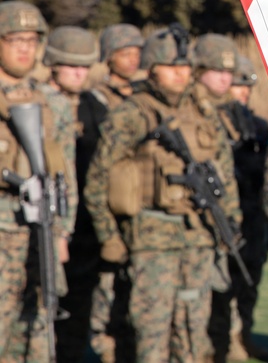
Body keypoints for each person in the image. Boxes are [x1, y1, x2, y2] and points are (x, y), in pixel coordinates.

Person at [84, 24, 242, 363]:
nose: (180, 75)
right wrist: (109, 235)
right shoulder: (132, 113)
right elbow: (97, 180)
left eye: (185, 67)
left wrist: (231, 221)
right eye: (171, 67)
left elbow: (224, 175)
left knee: (192, 331)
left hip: (199, 237)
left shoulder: (203, 113)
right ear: (153, 69)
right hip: (151, 240)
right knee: (151, 333)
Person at [0, 1, 78, 362]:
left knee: (38, 329)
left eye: (31, 40)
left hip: (41, 232)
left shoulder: (53, 103)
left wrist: (62, 232)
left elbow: (67, 175)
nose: (24, 48)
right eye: (15, 39)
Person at [74, 22, 145, 363]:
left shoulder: (144, 98)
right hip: (102, 207)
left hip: (138, 207)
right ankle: (103, 345)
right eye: (124, 53)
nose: (132, 60)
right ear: (108, 57)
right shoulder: (92, 100)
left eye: (136, 53)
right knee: (103, 287)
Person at [38, 26, 104, 363]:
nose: (80, 72)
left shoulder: (95, 106)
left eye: (84, 66)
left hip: (86, 229)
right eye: (71, 65)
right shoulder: (35, 103)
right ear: (53, 64)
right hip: (47, 225)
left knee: (79, 308)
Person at [206, 51, 268, 362]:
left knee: (250, 281)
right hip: (227, 216)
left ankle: (243, 335)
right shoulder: (211, 124)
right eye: (237, 85)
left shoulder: (258, 126)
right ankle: (224, 342)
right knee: (224, 284)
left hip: (254, 217)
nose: (243, 93)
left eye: (247, 87)